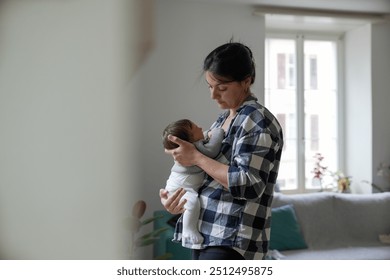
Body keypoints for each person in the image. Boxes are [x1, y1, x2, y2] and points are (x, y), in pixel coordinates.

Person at [159, 41, 284, 260]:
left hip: (232, 240)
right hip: (206, 234)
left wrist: (196, 157)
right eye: (210, 86)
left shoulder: (257, 121)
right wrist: (176, 200)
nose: (213, 95)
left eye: (222, 87)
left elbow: (249, 184)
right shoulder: (222, 120)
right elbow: (205, 178)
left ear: (247, 81)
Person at [162, 119, 224, 249]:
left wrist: (207, 134)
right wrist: (218, 131)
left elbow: (205, 136)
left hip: (178, 183)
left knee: (192, 202)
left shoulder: (193, 147)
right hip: (181, 187)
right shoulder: (196, 148)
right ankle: (188, 231)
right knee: (191, 203)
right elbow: (213, 149)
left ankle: (189, 230)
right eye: (196, 129)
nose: (201, 128)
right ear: (188, 141)